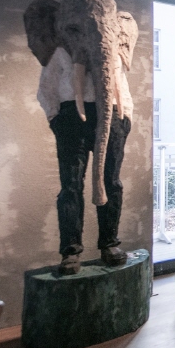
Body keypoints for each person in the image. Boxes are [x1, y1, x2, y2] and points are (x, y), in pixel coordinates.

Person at [37, 46, 131, 275]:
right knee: (71, 185)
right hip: (71, 115)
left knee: (111, 182)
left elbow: (122, 83)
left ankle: (109, 243)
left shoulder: (113, 49)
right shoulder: (61, 50)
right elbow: (47, 86)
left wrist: (125, 118)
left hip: (112, 113)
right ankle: (71, 251)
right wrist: (55, 117)